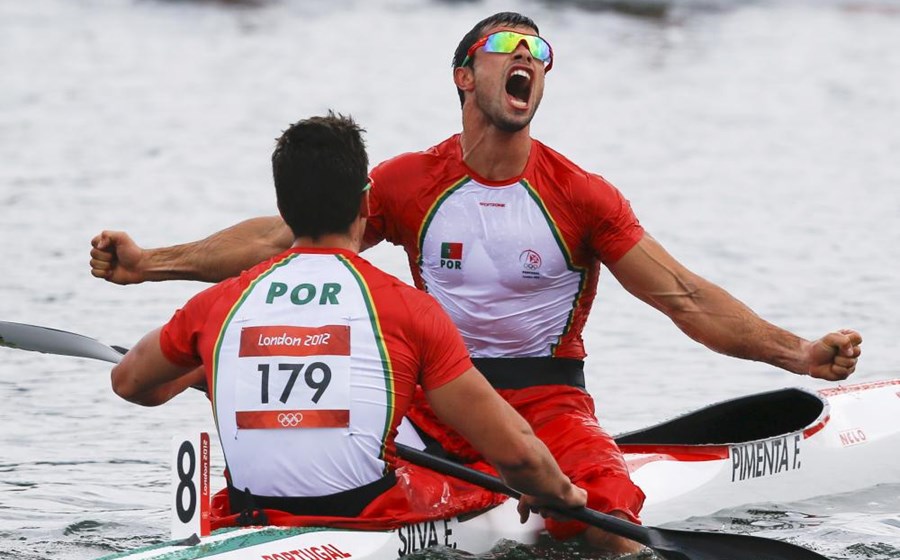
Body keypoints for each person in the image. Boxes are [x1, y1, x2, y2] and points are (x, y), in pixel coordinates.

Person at [93, 12, 862, 554]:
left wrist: (796, 353)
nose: (527, 55)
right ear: (467, 74)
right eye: (507, 44)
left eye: (540, 49)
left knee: (601, 525)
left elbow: (684, 299)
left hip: (545, 404)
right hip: (426, 400)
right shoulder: (409, 182)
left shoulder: (580, 195)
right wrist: (150, 264)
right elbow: (294, 236)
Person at [109, 112, 586, 532]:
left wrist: (216, 370)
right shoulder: (407, 310)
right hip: (362, 517)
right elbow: (519, 452)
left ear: (283, 209)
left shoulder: (218, 305)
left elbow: (131, 382)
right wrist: (560, 494)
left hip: (248, 511)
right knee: (476, 467)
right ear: (364, 203)